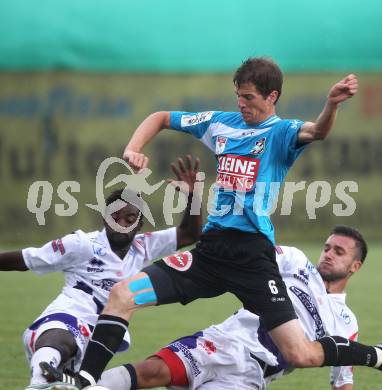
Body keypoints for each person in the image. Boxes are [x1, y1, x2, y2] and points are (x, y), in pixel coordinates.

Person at [41, 58, 382, 389]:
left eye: (248, 97)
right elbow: (161, 117)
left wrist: (332, 104)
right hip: (211, 252)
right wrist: (133, 147)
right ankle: (83, 381)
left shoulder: (282, 132)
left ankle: (375, 355)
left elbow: (318, 131)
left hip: (252, 258)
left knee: (301, 353)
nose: (241, 103)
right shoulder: (220, 123)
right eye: (238, 95)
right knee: (122, 294)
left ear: (272, 96)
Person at [0, 156, 202, 390]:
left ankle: (50, 380)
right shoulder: (81, 244)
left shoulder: (143, 246)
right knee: (61, 340)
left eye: (129, 218)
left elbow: (189, 234)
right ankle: (39, 381)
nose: (121, 223)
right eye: (115, 216)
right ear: (105, 217)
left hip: (97, 341)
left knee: (77, 382)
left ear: (139, 225)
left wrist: (192, 196)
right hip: (62, 320)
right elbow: (26, 259)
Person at [94, 225, 366, 390]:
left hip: (251, 374)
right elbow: (255, 258)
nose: (328, 254)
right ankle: (83, 384)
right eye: (327, 248)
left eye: (339, 252)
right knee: (152, 371)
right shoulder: (296, 262)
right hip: (225, 339)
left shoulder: (347, 323)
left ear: (355, 266)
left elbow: (342, 379)